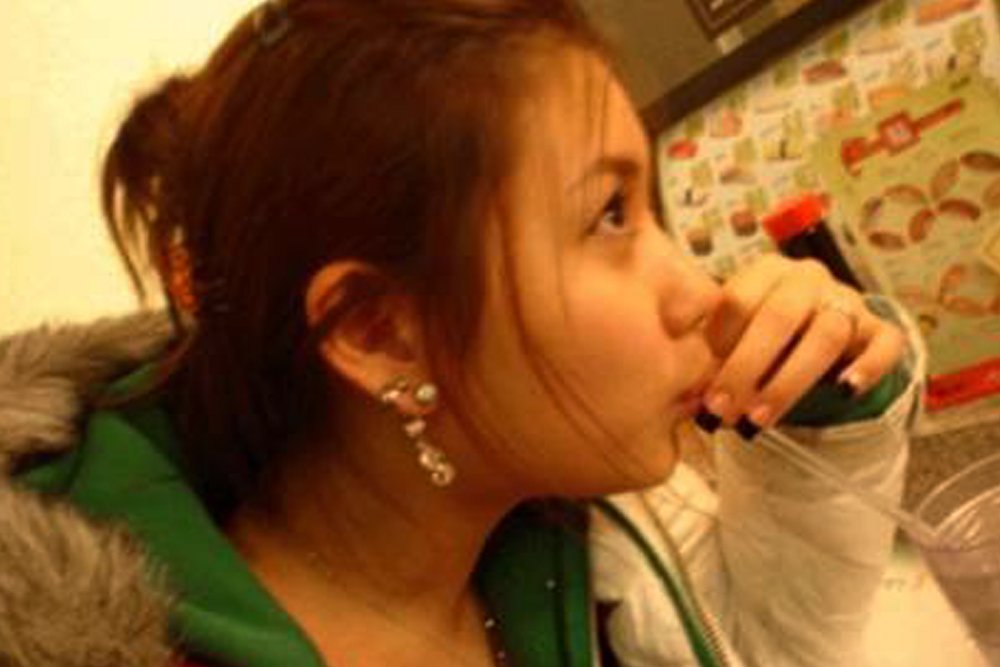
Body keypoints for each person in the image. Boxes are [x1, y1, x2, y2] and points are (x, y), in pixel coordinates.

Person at [0, 1, 925, 666]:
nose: (700, 292)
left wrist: (825, 392)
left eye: (649, 208)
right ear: (380, 333)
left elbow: (766, 644)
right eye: (609, 215)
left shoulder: (581, 526)